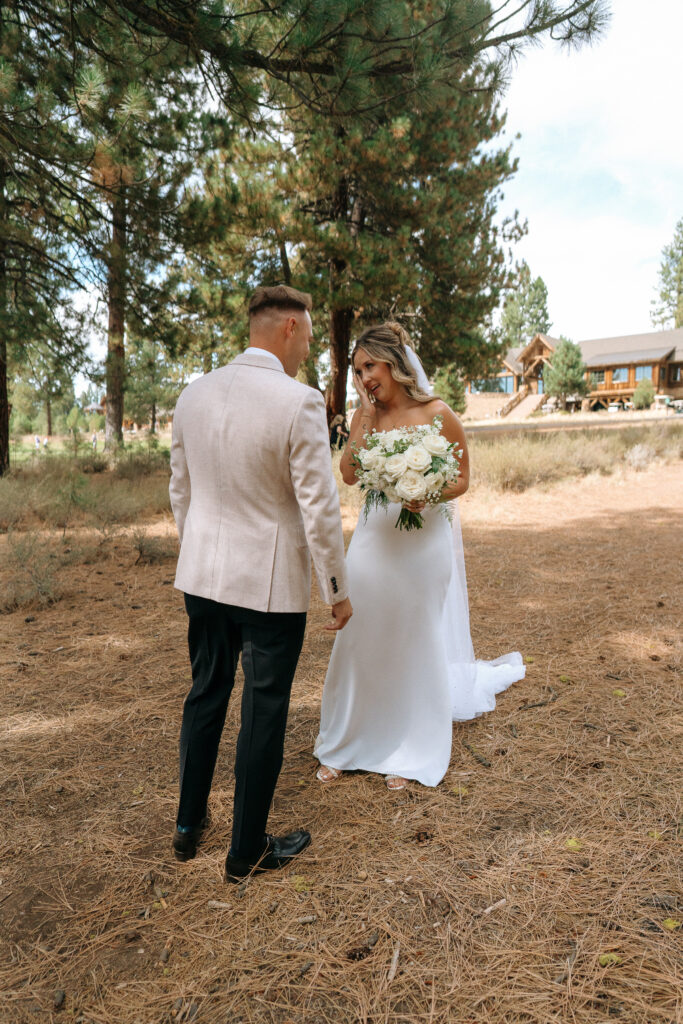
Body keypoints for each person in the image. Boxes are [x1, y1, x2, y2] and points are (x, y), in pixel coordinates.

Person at [169, 284, 352, 881]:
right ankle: (245, 851)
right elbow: (318, 507)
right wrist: (336, 588)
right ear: (290, 329)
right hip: (267, 584)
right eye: (307, 338)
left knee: (206, 692)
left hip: (203, 575)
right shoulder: (297, 401)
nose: (307, 354)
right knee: (263, 708)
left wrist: (196, 550)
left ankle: (188, 826)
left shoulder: (192, 395)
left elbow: (181, 491)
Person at [314, 322, 525, 790]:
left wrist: (428, 493)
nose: (364, 376)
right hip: (373, 542)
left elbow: (463, 478)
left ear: (393, 362)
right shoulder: (364, 415)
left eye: (369, 365)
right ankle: (344, 742)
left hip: (424, 543)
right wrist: (364, 414)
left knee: (414, 636)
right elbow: (349, 474)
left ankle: (411, 749)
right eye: (357, 370)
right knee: (360, 635)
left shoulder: (437, 413)